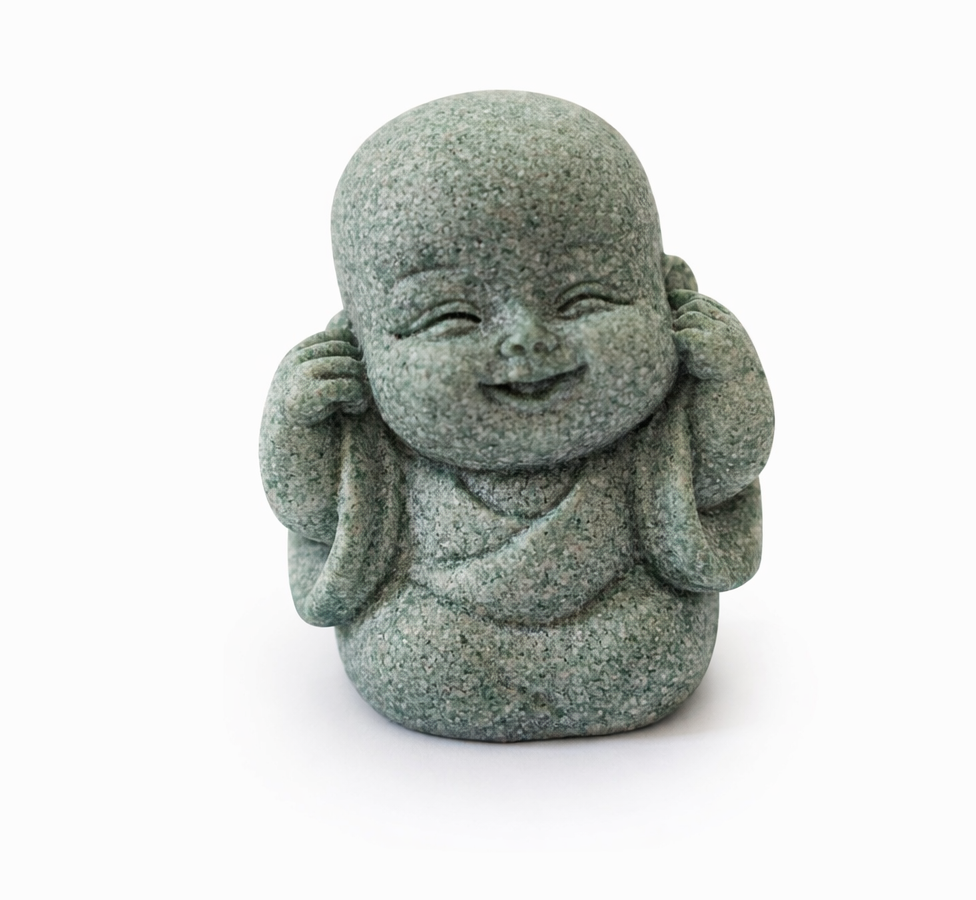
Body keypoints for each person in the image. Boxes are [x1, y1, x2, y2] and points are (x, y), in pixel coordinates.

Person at [261, 90, 773, 741]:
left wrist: (731, 382)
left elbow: (720, 475)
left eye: (583, 300)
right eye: (453, 317)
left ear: (669, 294)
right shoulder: (375, 445)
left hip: (623, 610)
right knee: (415, 649)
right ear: (358, 342)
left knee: (645, 639)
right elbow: (316, 512)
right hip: (438, 619)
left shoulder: (652, 434)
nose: (527, 339)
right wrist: (297, 425)